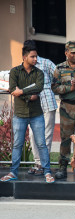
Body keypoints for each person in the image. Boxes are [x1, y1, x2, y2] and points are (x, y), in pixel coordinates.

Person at [0, 44, 54, 183]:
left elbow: (39, 87)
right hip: (20, 114)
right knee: (17, 144)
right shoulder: (15, 72)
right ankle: (13, 172)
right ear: (24, 57)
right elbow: (13, 89)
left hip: (37, 114)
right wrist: (28, 95)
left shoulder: (39, 73)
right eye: (33, 56)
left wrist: (22, 92)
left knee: (41, 143)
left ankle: (47, 172)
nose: (36, 59)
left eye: (36, 56)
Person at [52, 40, 75, 179]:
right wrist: (70, 88)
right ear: (66, 53)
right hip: (66, 108)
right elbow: (54, 87)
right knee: (66, 138)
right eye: (73, 52)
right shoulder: (60, 68)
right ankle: (63, 167)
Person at [23, 40, 58, 176]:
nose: (35, 58)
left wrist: (52, 87)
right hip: (32, 106)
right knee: (33, 134)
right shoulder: (23, 68)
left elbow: (58, 75)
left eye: (35, 55)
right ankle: (38, 162)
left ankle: (44, 164)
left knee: (47, 135)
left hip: (47, 102)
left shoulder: (46, 63)